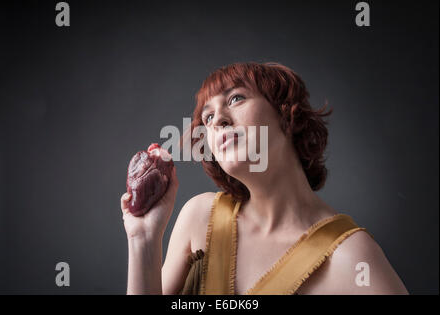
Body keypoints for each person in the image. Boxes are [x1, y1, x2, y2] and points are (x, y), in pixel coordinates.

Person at [120, 62, 408, 295]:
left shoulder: (351, 256)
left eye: (236, 98)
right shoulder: (200, 217)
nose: (218, 120)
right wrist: (143, 239)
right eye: (207, 118)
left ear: (287, 114)